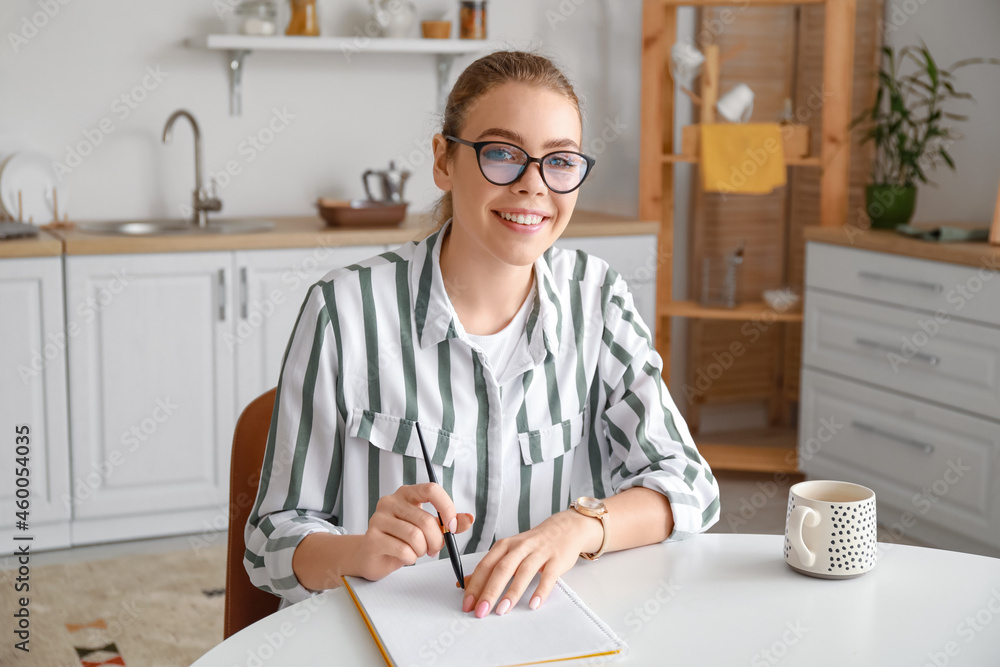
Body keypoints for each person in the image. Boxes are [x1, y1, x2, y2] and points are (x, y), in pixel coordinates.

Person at [245, 50, 720, 620]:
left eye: (560, 161)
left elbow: (688, 483)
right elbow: (269, 539)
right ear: (444, 161)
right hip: (391, 638)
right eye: (502, 154)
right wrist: (357, 553)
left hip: (543, 636)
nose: (532, 185)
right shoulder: (345, 308)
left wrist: (576, 528)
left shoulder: (598, 299)